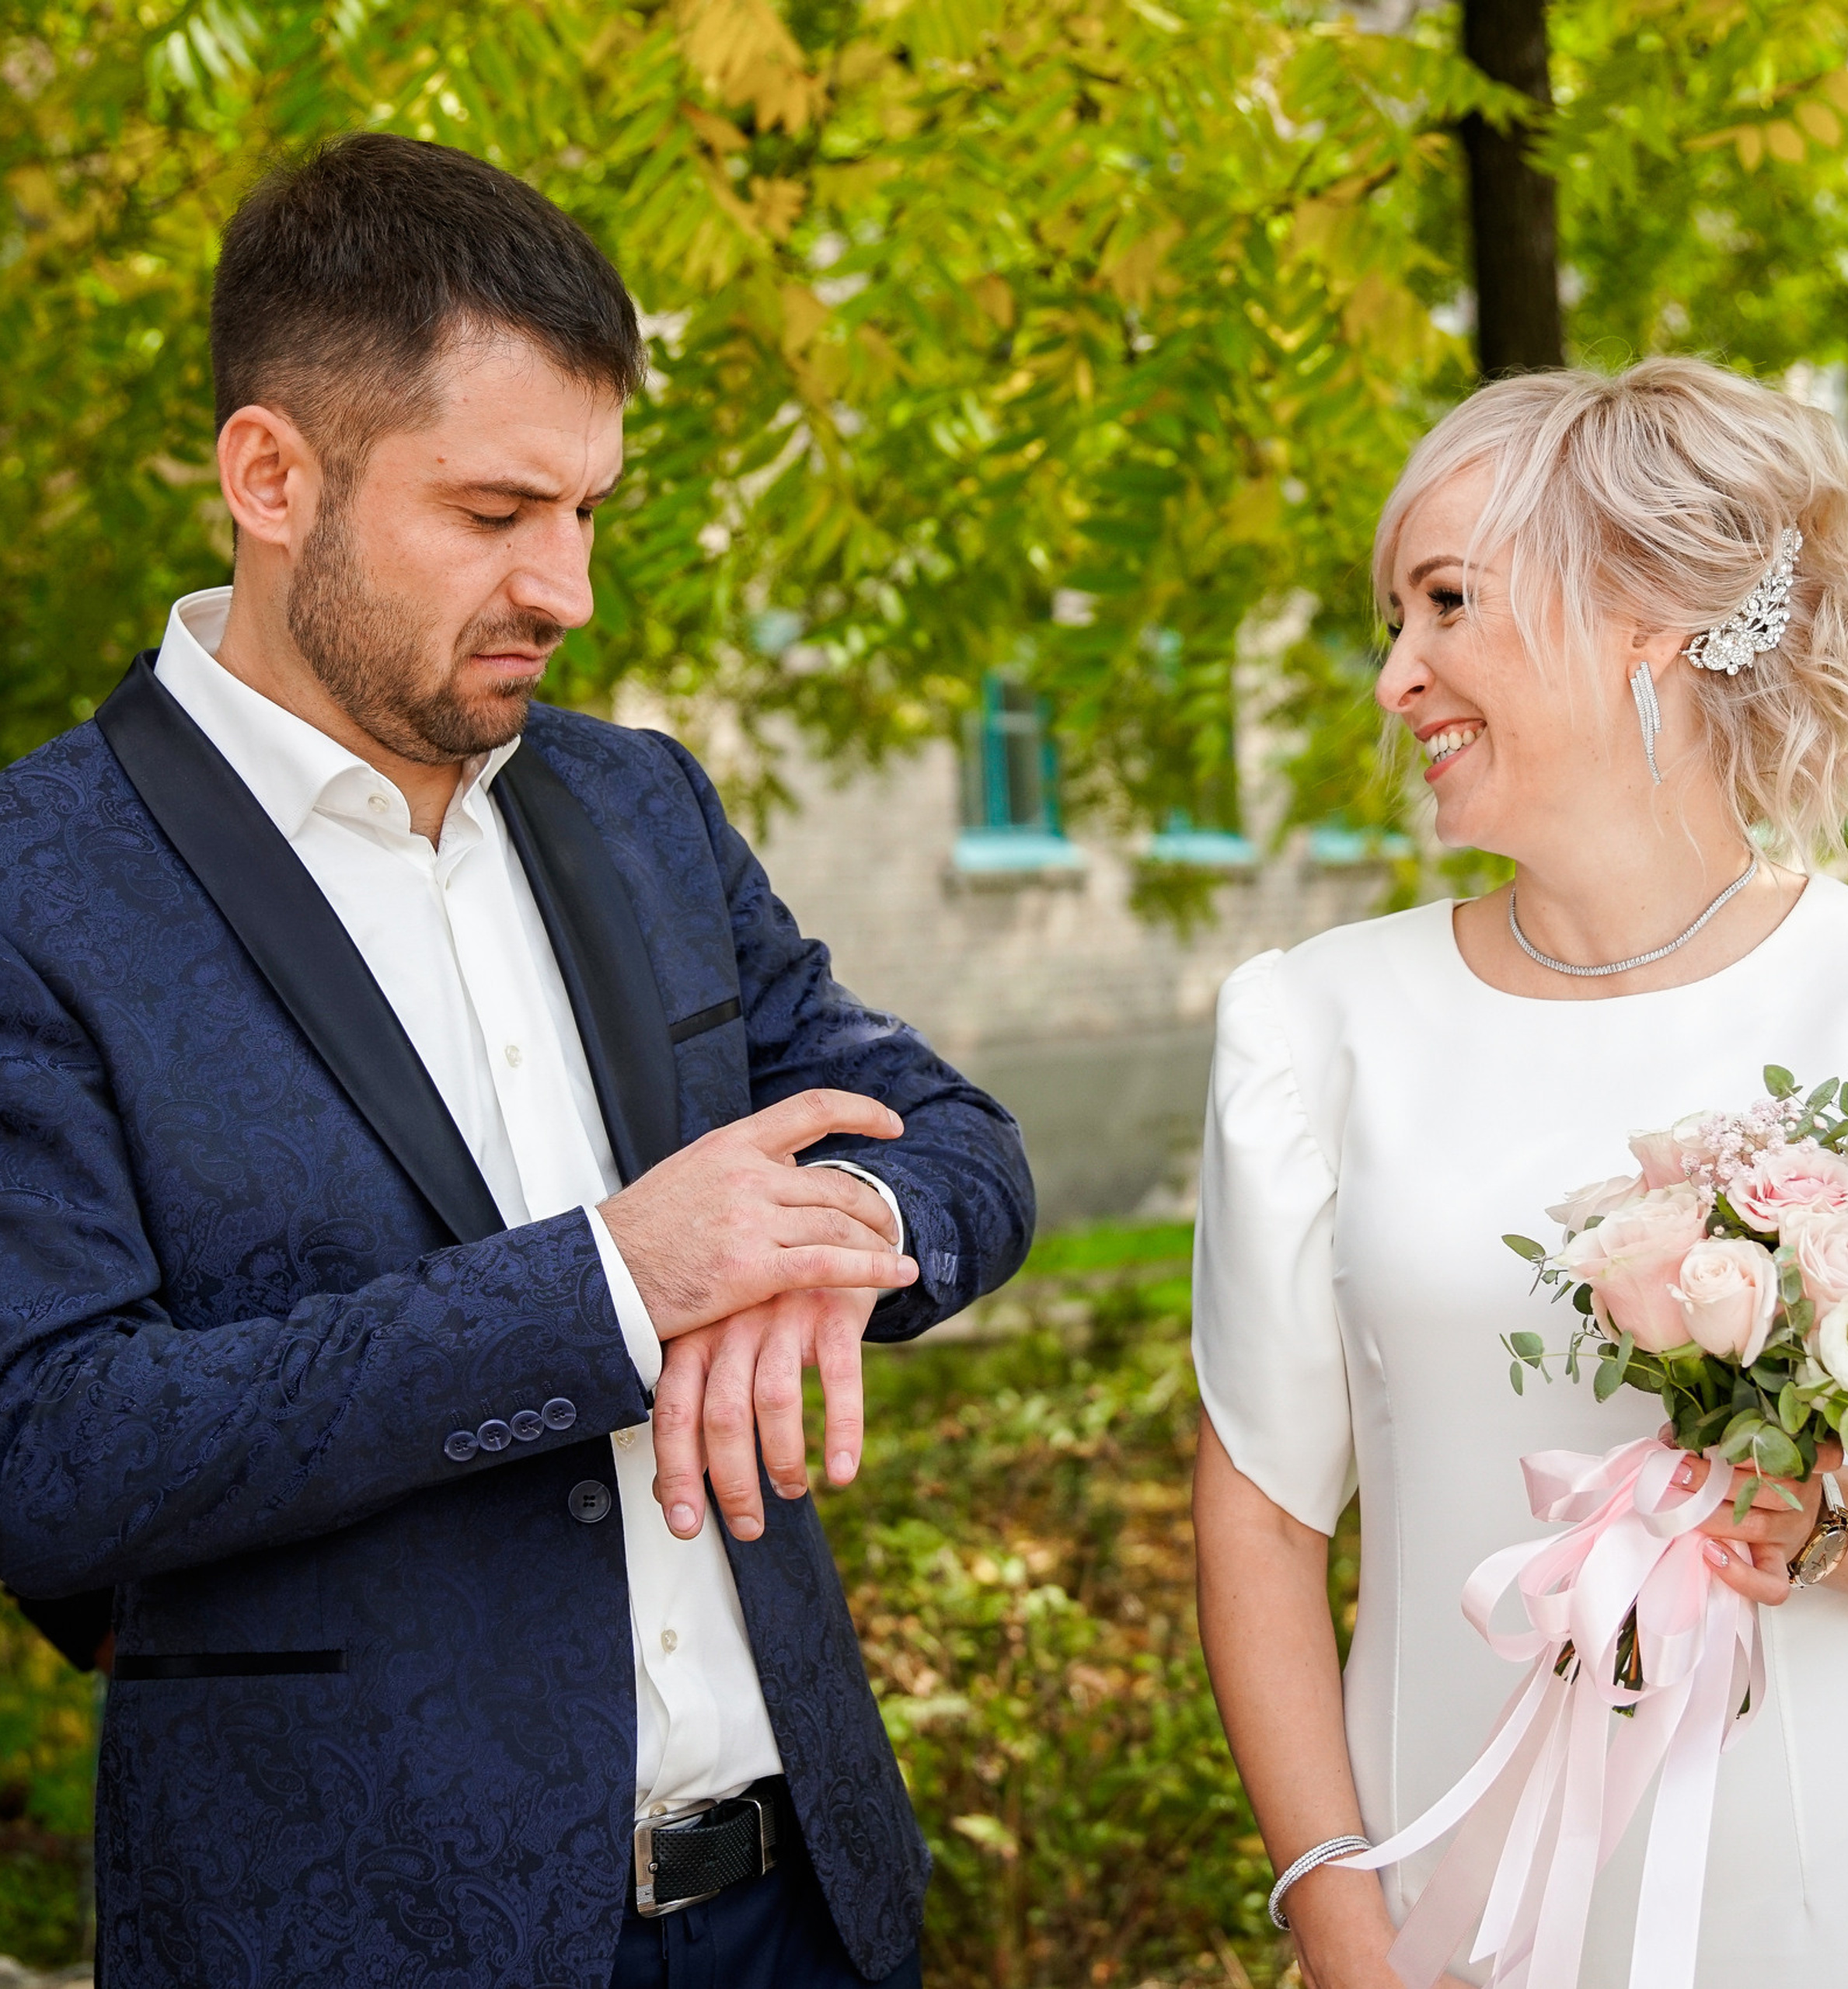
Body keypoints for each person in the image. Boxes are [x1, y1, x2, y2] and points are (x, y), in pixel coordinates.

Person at [0, 134, 1034, 1989]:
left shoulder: (637, 805)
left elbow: (951, 1138)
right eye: (493, 514)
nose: (562, 588)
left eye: (587, 513)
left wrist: (833, 1232)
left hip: (803, 1906)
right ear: (270, 475)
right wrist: (610, 1289)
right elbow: (52, 1450)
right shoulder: (37, 889)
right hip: (355, 1932)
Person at [1191, 357, 1848, 1988]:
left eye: (1443, 604)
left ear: (1640, 617)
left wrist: (1820, 1512)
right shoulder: (1310, 1024)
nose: (1394, 674)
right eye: (1392, 621)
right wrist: (1337, 1907)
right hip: (1452, 1904)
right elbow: (1261, 1519)